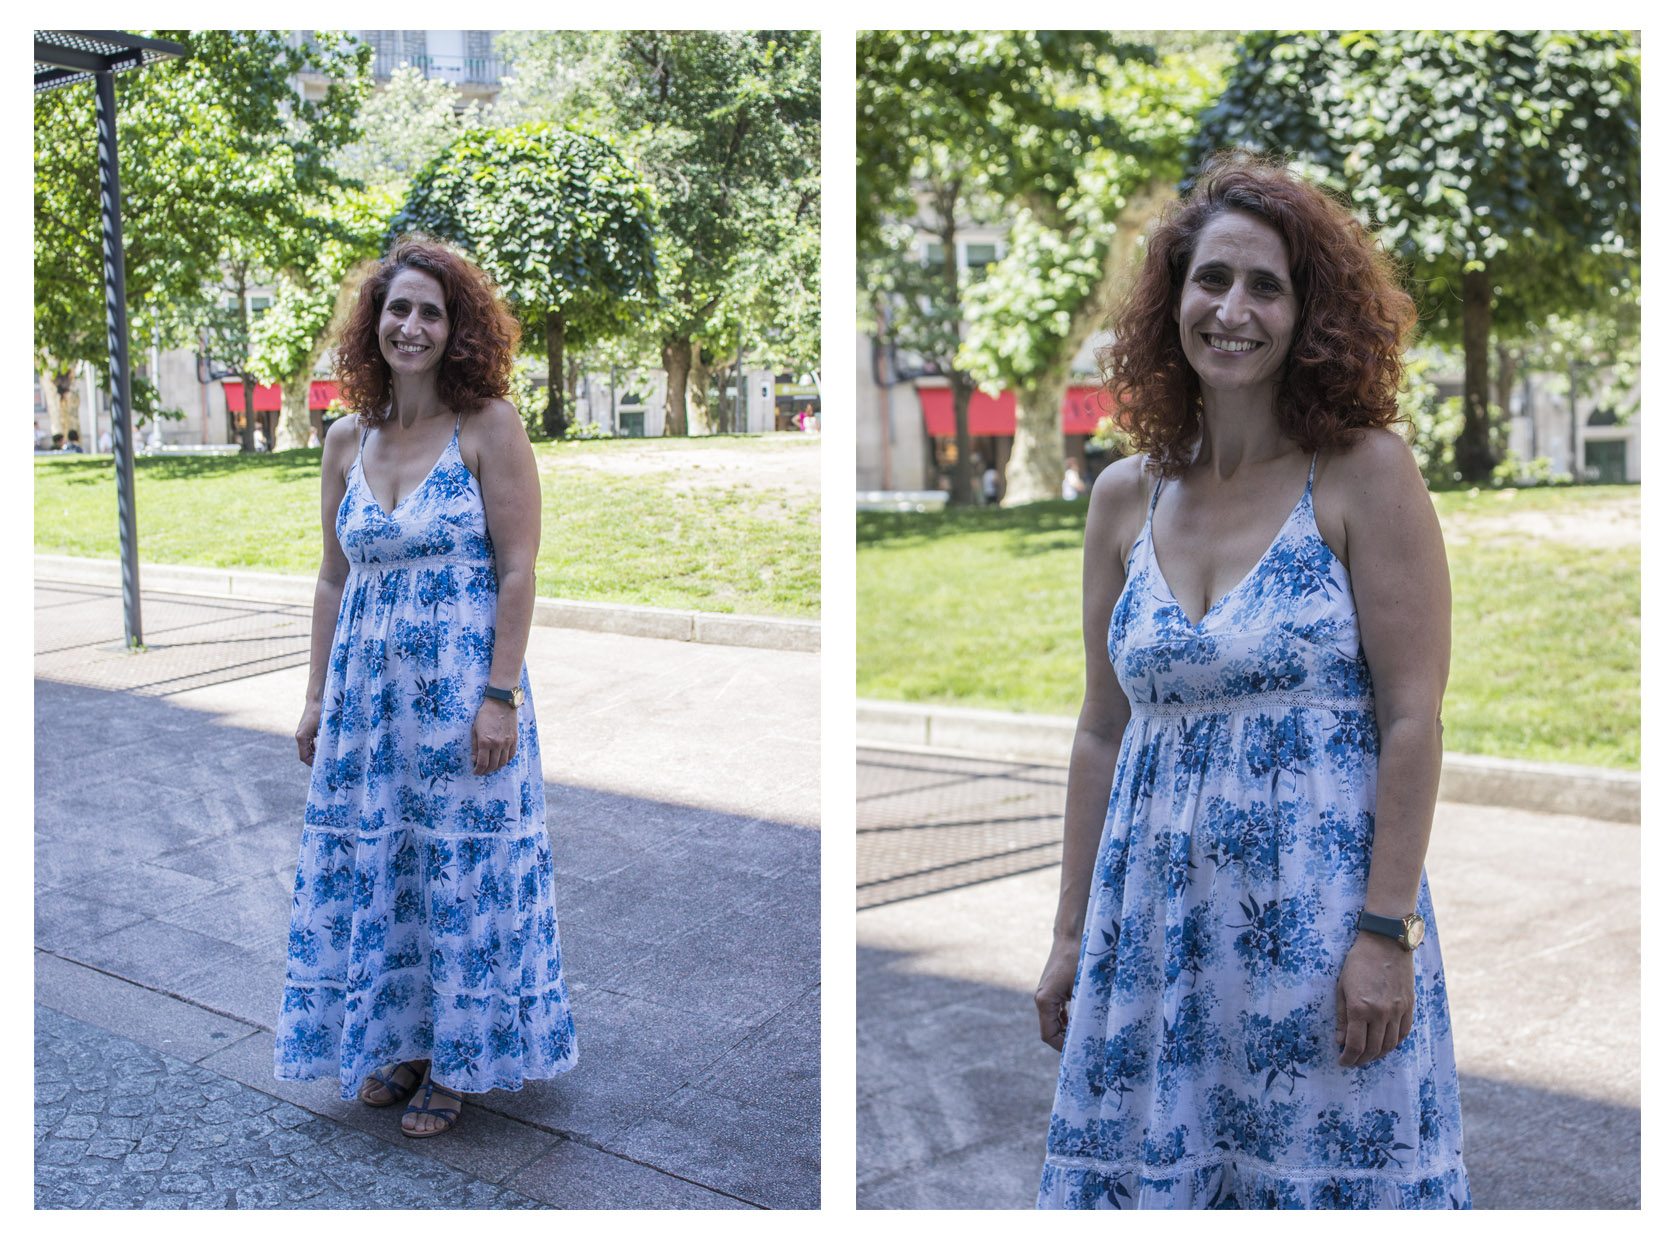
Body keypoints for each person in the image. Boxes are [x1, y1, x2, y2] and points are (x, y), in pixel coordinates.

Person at [1033, 151, 1469, 1209]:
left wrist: (1383, 933)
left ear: (1309, 314)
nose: (1233, 309)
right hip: (1151, 935)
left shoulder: (1364, 471)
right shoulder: (1122, 497)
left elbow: (1412, 718)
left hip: (1316, 933)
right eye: (1211, 280)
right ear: (1172, 300)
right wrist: (1068, 933)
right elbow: (1101, 730)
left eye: (1265, 285)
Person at [276, 235, 577, 1138]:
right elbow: (333, 579)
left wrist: (501, 697)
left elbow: (518, 571)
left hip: (457, 701)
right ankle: (402, 1046)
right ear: (375, 324)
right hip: (369, 709)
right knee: (387, 871)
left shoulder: (489, 426)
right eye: (397, 309)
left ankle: (456, 1061)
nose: (411, 326)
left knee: (461, 877)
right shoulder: (344, 440)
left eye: (431, 312)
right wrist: (316, 697)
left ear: (457, 330)